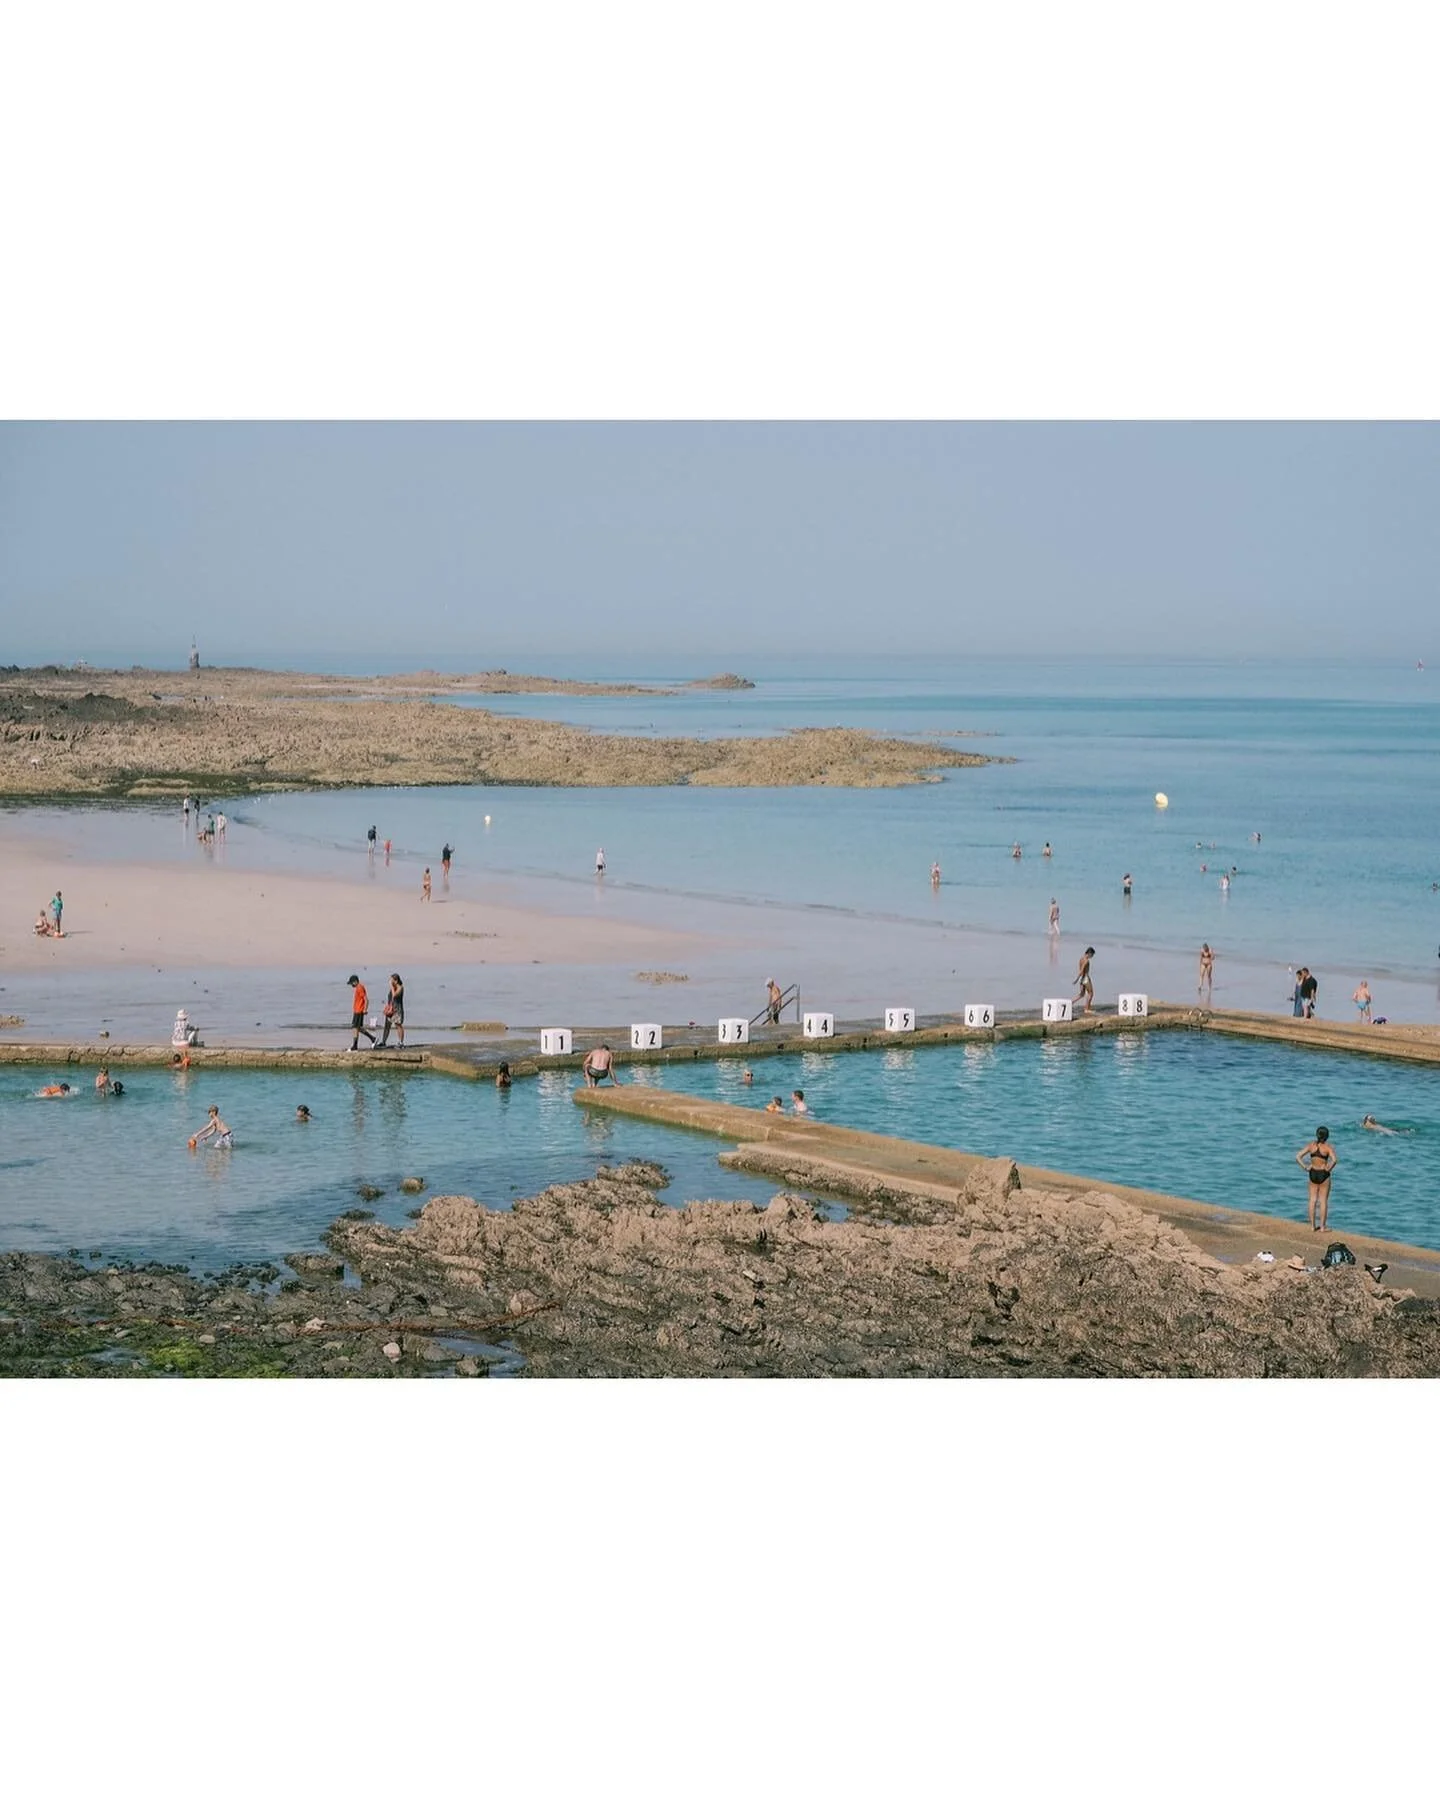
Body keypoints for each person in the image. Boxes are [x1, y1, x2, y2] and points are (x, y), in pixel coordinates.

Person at [1296, 1125, 1336, 1231]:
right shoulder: (1328, 1147)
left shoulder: (1311, 1146)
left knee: (1312, 1200)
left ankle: (1312, 1226)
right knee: (1323, 1201)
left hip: (1313, 1173)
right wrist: (1329, 1169)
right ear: (1327, 1136)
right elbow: (1335, 1160)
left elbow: (1298, 1156)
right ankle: (1322, 1227)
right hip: (1323, 1173)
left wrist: (1305, 1167)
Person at [347, 974, 376, 1049]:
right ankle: (372, 1039)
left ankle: (355, 1046)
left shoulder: (360, 987)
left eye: (351, 983)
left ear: (355, 981)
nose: (351, 985)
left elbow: (366, 999)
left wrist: (365, 1010)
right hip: (357, 1010)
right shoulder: (358, 987)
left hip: (359, 1010)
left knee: (355, 1027)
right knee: (357, 1028)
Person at [379, 972, 405, 1048]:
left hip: (397, 1009)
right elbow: (390, 998)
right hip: (391, 1008)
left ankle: (401, 1042)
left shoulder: (400, 987)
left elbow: (394, 995)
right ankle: (383, 1042)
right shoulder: (392, 988)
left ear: (396, 981)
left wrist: (391, 986)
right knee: (387, 1025)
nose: (390, 982)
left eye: (392, 980)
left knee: (398, 1025)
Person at [1074, 946, 1096, 1014]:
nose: (1092, 956)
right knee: (1091, 994)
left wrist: (1079, 979)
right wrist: (1076, 979)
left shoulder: (1081, 959)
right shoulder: (1086, 961)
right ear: (1089, 953)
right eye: (1092, 955)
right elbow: (1082, 970)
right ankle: (1087, 1009)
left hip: (1082, 979)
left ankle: (1070, 1002)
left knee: (1081, 994)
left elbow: (1080, 969)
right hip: (1086, 978)